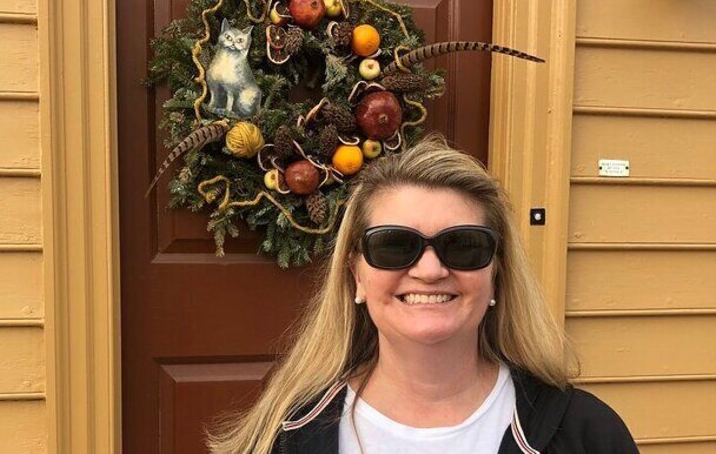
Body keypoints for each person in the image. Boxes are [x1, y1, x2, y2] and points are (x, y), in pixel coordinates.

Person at [207, 135, 638, 453]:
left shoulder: (587, 435)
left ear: (496, 275)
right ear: (356, 274)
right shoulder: (283, 436)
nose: (430, 270)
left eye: (463, 245)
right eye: (394, 245)